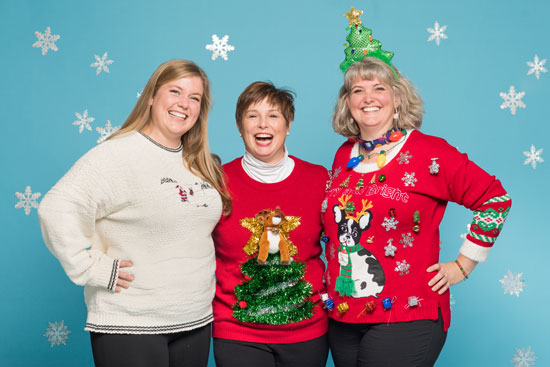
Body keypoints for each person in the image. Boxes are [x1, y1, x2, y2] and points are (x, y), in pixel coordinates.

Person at [38, 59, 231, 367]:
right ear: (152, 96)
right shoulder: (117, 155)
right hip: (131, 323)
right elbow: (55, 208)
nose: (184, 104)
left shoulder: (200, 163)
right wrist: (92, 269)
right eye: (175, 91)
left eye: (194, 98)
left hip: (194, 320)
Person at [323, 56, 511, 366]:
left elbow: (495, 199)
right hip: (344, 316)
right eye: (357, 90)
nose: (368, 98)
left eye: (378, 88)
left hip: (407, 315)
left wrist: (463, 265)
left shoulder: (429, 152)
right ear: (348, 103)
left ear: (396, 98)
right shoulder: (345, 155)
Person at [212, 81, 329, 367]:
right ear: (240, 127)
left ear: (288, 126)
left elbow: (345, 243)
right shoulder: (215, 182)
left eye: (274, 115)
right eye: (253, 116)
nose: (263, 124)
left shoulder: (320, 180)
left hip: (307, 330)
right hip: (237, 331)